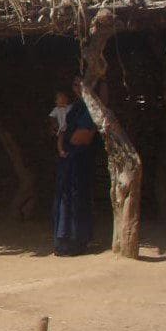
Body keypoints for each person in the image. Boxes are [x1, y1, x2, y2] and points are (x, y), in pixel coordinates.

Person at [54, 81, 98, 256]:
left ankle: (76, 241)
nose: (75, 88)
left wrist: (69, 144)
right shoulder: (74, 107)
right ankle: (63, 241)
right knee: (64, 198)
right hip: (68, 158)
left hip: (78, 158)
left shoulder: (90, 108)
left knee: (77, 197)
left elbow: (84, 135)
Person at [49, 89, 73, 158]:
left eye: (63, 97)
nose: (62, 99)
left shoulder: (70, 107)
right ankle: (61, 151)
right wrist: (54, 124)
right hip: (62, 128)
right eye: (60, 98)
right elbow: (51, 117)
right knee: (60, 138)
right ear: (56, 101)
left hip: (70, 127)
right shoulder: (56, 109)